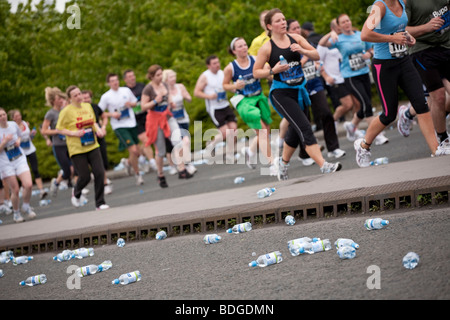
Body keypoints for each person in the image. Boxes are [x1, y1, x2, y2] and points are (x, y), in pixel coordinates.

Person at [354, 0, 449, 167]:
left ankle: (436, 149)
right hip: (384, 65)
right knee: (389, 114)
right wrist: (392, 38)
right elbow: (365, 34)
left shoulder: (403, 3)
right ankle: (364, 146)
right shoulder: (380, 7)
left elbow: (400, 29)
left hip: (404, 61)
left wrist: (407, 37)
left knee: (421, 105)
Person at [253, 8, 342, 180]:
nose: (283, 23)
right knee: (305, 127)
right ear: (270, 26)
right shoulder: (267, 48)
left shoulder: (297, 38)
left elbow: (317, 55)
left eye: (284, 19)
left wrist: (303, 51)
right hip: (281, 93)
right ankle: (323, 165)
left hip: (300, 91)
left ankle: (283, 164)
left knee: (294, 130)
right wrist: (273, 70)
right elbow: (256, 72)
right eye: (278, 21)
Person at [319, 14, 389, 145]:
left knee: (363, 105)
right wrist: (331, 33)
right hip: (350, 76)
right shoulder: (338, 39)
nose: (346, 23)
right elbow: (321, 44)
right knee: (367, 104)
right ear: (339, 26)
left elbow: (371, 49)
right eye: (343, 22)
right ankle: (376, 135)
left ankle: (351, 126)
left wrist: (370, 53)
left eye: (347, 20)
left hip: (364, 73)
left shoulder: (360, 35)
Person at [288, 19, 346, 166]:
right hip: (299, 88)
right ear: (287, 31)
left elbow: (318, 57)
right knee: (304, 121)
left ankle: (333, 148)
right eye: (293, 28)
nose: (297, 30)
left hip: (314, 83)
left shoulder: (307, 43)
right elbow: (290, 69)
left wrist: (317, 65)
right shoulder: (287, 49)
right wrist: (304, 58)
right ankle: (304, 153)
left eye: (298, 27)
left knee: (326, 113)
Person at [397, 0, 450, 150]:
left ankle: (408, 113)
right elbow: (401, 29)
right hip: (423, 51)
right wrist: (426, 27)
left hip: (446, 46)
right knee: (438, 96)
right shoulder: (409, 2)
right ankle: (443, 139)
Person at [223, 37, 276, 172]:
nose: (244, 48)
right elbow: (224, 85)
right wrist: (234, 85)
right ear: (234, 51)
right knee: (262, 131)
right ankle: (273, 163)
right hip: (244, 101)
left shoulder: (255, 60)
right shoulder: (231, 67)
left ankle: (250, 152)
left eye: (245, 45)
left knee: (266, 130)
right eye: (240, 46)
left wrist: (271, 73)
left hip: (258, 97)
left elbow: (267, 71)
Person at [56, 86, 109, 210]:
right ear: (70, 99)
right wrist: (74, 133)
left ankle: (100, 203)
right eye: (75, 95)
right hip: (77, 148)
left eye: (79, 93)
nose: (79, 96)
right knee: (85, 176)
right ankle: (76, 192)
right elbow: (59, 129)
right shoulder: (67, 111)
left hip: (92, 145)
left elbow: (93, 122)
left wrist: (99, 130)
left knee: (99, 173)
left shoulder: (87, 106)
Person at [141, 65, 193, 188]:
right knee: (161, 151)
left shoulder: (164, 85)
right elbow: (143, 106)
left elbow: (168, 97)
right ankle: (160, 175)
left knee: (178, 141)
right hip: (156, 120)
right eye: (157, 75)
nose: (160, 77)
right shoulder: (148, 89)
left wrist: (171, 103)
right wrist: (155, 101)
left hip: (168, 117)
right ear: (152, 76)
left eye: (161, 74)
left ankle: (182, 169)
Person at [98, 73, 144, 186]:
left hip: (131, 122)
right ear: (108, 83)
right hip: (119, 126)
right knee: (133, 150)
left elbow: (135, 103)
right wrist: (112, 114)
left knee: (137, 152)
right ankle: (138, 175)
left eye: (116, 80)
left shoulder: (126, 90)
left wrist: (131, 104)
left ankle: (127, 162)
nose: (115, 82)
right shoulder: (106, 96)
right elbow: (100, 112)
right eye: (112, 81)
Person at [194, 55, 239, 163]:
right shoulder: (205, 76)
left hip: (225, 104)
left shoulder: (222, 73)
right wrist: (210, 96)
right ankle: (211, 144)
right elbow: (196, 92)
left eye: (218, 62)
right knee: (225, 133)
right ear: (208, 65)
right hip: (214, 108)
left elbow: (228, 85)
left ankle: (230, 154)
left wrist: (235, 88)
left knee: (234, 130)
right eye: (214, 63)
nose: (217, 65)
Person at [317, 19, 356, 127]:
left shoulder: (345, 39)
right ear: (332, 29)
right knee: (347, 104)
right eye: (338, 27)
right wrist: (325, 76)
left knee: (357, 103)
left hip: (349, 75)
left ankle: (353, 127)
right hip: (336, 79)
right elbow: (317, 61)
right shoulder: (327, 42)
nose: (340, 29)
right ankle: (332, 122)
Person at [0, 107, 36, 223]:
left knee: (29, 184)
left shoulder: (13, 125)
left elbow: (20, 135)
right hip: (6, 162)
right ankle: (16, 213)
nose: (3, 117)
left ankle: (25, 205)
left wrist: (18, 141)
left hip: (19, 158)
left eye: (4, 114)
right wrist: (4, 142)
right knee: (15, 190)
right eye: (0, 116)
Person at [41, 87, 75, 196]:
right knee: (67, 170)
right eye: (58, 98)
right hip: (59, 145)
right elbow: (44, 130)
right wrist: (57, 131)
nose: (61, 100)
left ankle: (76, 191)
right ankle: (56, 183)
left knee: (74, 169)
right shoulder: (50, 114)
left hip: (69, 143)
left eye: (61, 98)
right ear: (53, 101)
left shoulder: (65, 110)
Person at [163, 69, 197, 175]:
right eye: (171, 77)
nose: (173, 79)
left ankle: (184, 164)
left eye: (174, 76)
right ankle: (186, 164)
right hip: (172, 120)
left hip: (182, 117)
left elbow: (189, 99)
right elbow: (162, 108)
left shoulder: (180, 86)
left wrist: (185, 96)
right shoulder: (164, 91)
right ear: (166, 79)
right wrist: (169, 105)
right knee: (182, 142)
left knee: (184, 142)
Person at [123, 69, 158, 173]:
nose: (132, 77)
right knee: (145, 140)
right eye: (129, 76)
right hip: (133, 120)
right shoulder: (123, 91)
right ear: (125, 79)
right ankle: (152, 162)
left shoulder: (141, 86)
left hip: (145, 116)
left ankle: (129, 162)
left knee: (148, 140)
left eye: (133, 75)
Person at [8, 109, 47, 199]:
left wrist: (32, 134)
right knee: (24, 172)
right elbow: (14, 140)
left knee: (35, 169)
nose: (19, 117)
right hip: (21, 153)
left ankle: (41, 190)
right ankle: (23, 187)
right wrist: (19, 134)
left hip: (30, 149)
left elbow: (29, 137)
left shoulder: (25, 123)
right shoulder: (12, 127)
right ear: (13, 118)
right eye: (17, 116)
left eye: (20, 115)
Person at [81, 90, 113, 195]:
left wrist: (103, 127)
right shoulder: (79, 110)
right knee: (92, 164)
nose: (86, 100)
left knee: (102, 161)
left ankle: (104, 183)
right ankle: (99, 182)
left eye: (88, 98)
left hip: (98, 136)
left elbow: (104, 116)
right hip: (87, 139)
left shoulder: (95, 107)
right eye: (84, 98)